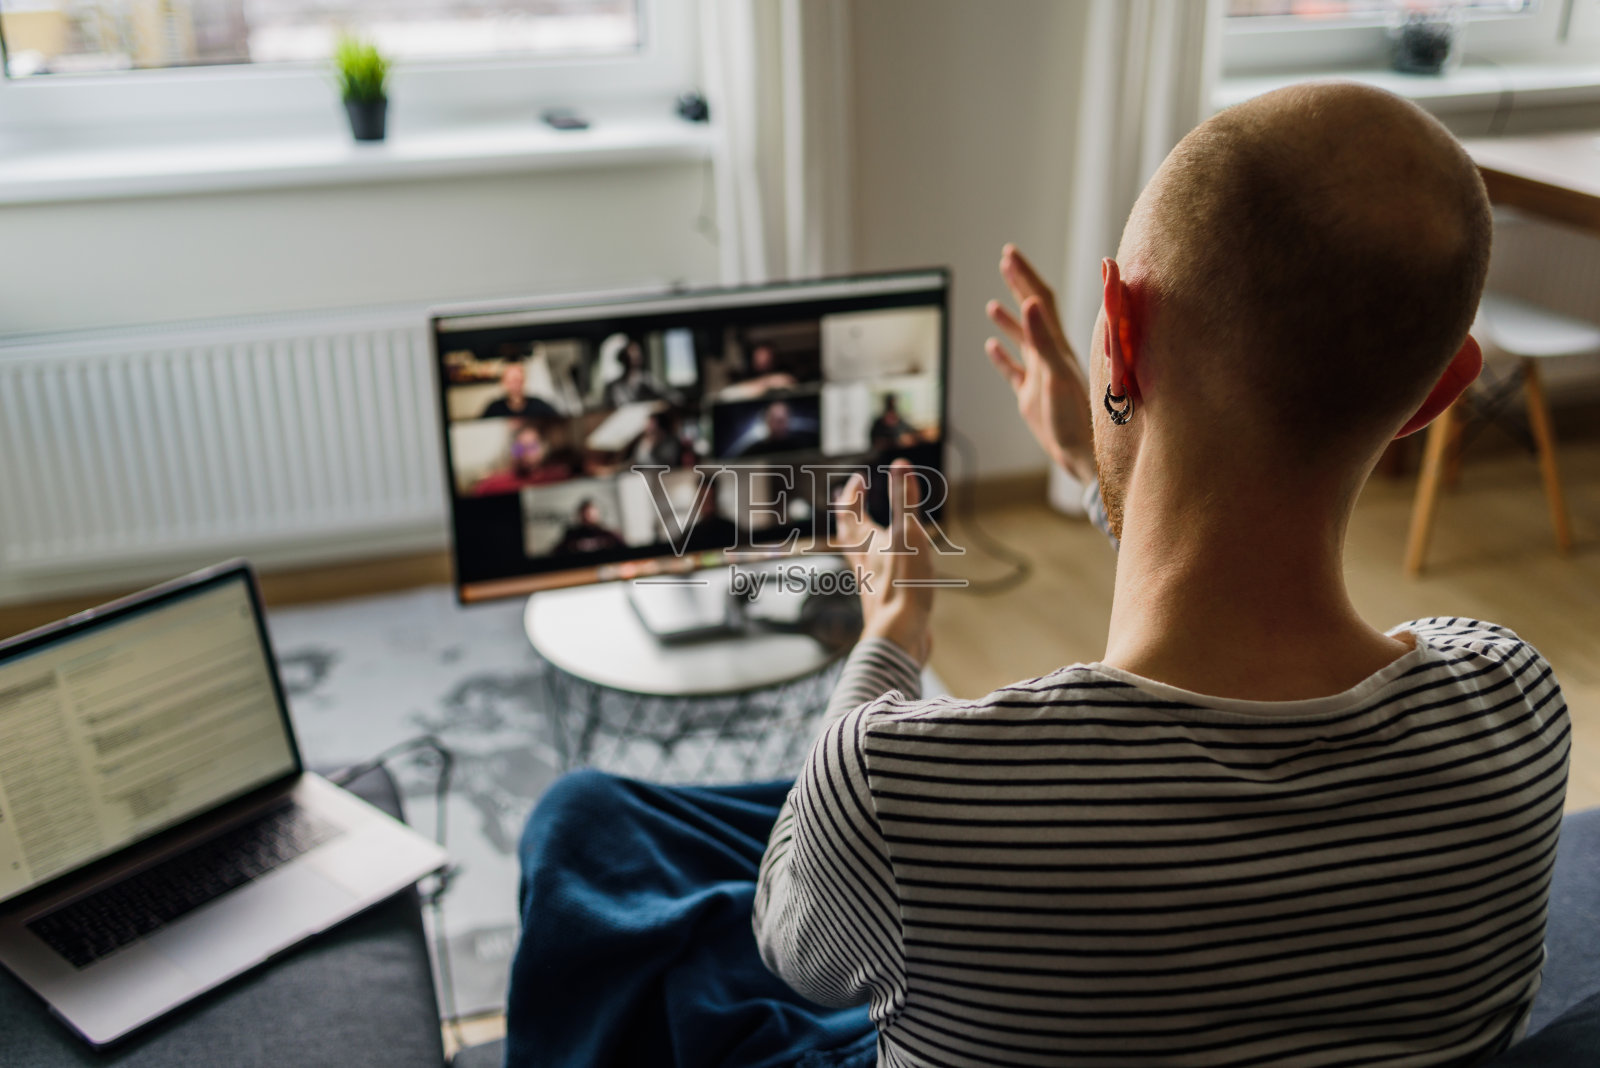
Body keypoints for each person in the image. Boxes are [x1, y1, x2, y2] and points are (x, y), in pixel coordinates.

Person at [504, 84, 1568, 1068]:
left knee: (585, 823)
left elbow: (792, 951)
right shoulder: (1515, 704)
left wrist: (892, 636)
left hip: (875, 882)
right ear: (1440, 391)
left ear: (1118, 327)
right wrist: (1098, 458)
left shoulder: (902, 783)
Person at [470, 421, 572, 495]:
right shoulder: (492, 485)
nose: (525, 453)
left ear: (543, 449)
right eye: (520, 448)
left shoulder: (560, 477)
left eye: (531, 447)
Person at [479, 361, 563, 420]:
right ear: (503, 383)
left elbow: (558, 420)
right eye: (511, 380)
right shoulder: (494, 409)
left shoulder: (539, 405)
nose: (515, 384)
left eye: (518, 379)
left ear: (524, 380)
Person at [603, 338, 670, 407]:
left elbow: (670, 396)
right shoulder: (614, 386)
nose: (634, 354)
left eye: (636, 351)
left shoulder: (647, 380)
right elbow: (608, 407)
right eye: (631, 351)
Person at [551, 498, 625, 555]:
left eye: (590, 514)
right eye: (585, 514)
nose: (587, 517)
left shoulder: (608, 534)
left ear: (597, 514)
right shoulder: (571, 535)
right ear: (580, 515)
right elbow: (556, 552)